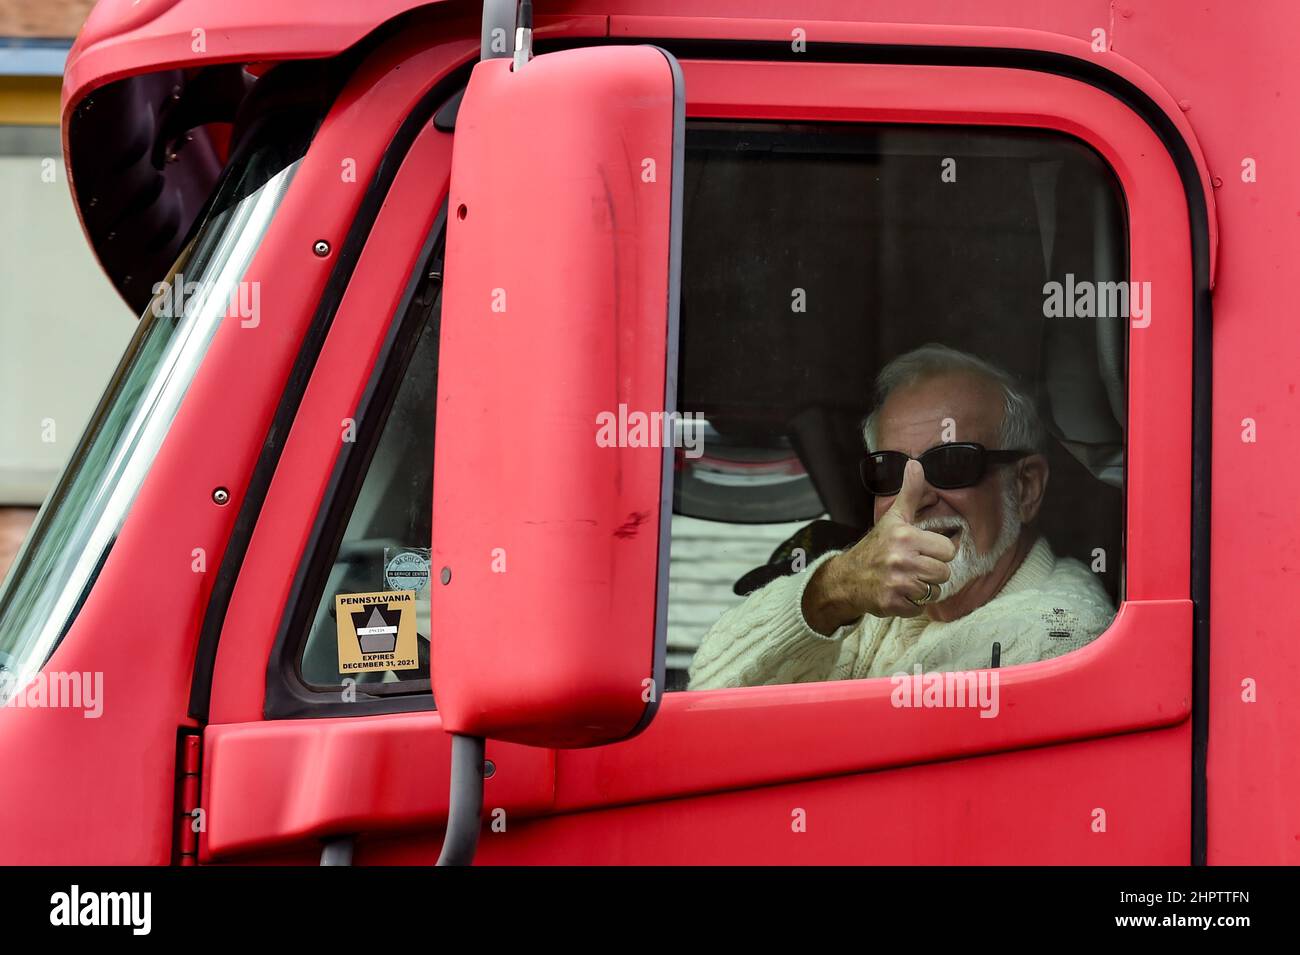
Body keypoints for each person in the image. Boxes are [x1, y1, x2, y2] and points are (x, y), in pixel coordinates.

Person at [687, 344, 1115, 690]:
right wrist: (835, 590)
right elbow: (707, 690)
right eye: (890, 471)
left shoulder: (1058, 633)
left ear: (1025, 488)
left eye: (950, 463)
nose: (917, 497)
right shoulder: (875, 595)